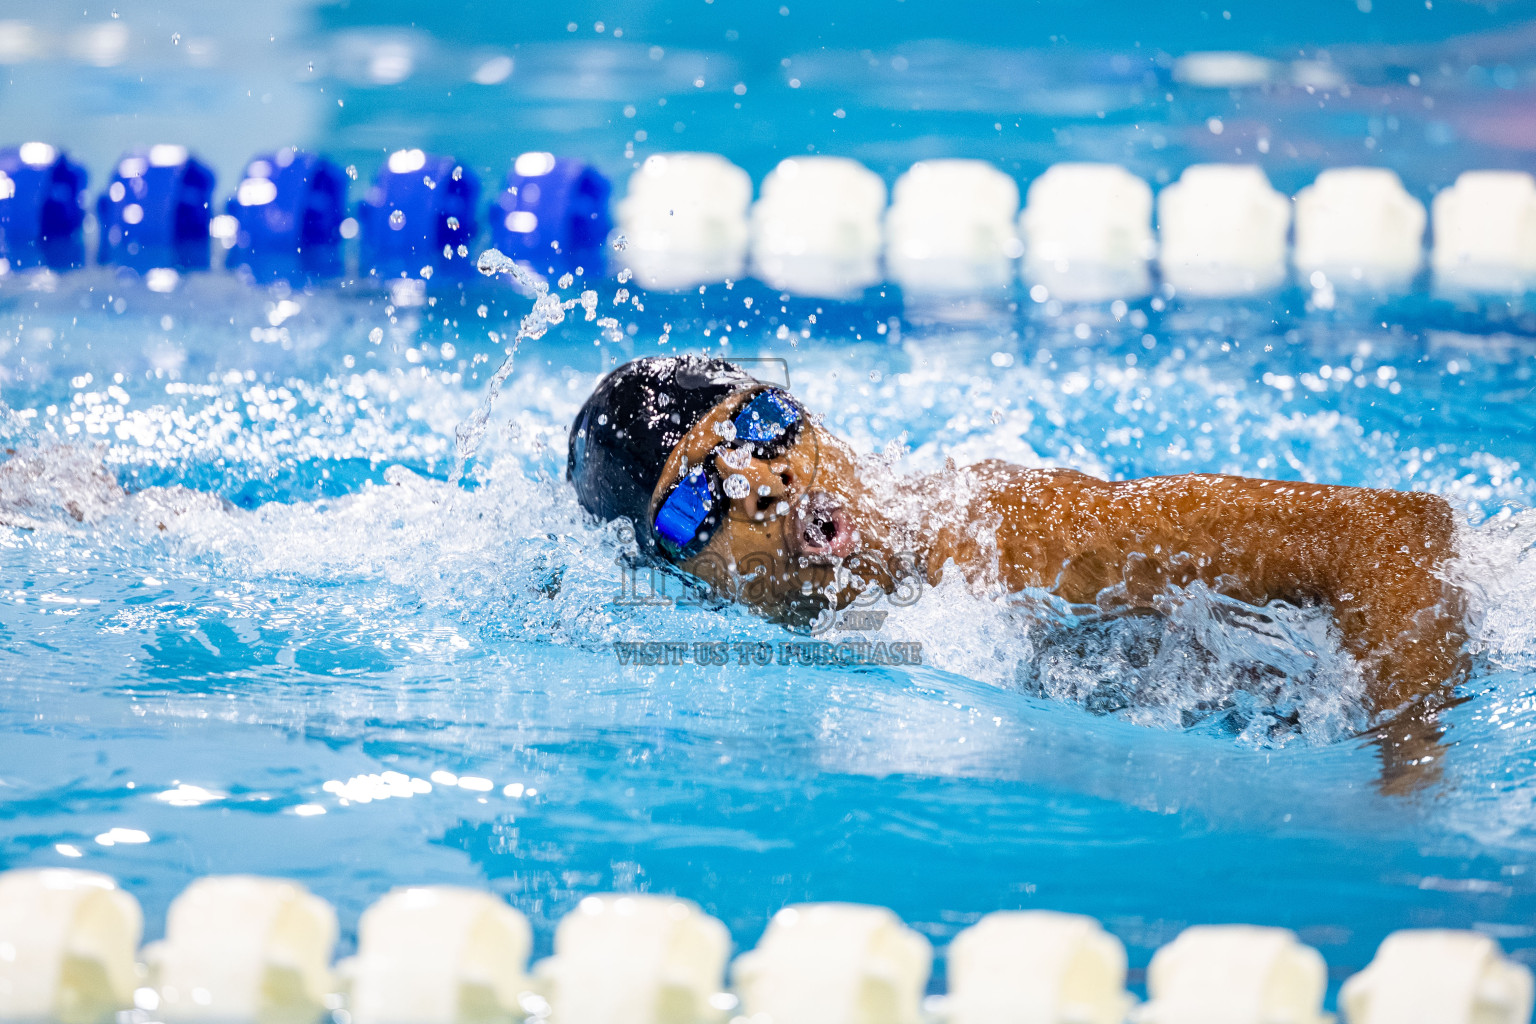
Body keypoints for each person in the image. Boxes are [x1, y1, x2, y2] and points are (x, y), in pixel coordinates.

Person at [569, 355, 1469, 789]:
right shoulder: (823, 647)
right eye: (696, 503)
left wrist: (1415, 773)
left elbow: (1387, 535)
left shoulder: (1005, 545)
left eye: (760, 423)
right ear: (681, 577)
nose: (759, 481)